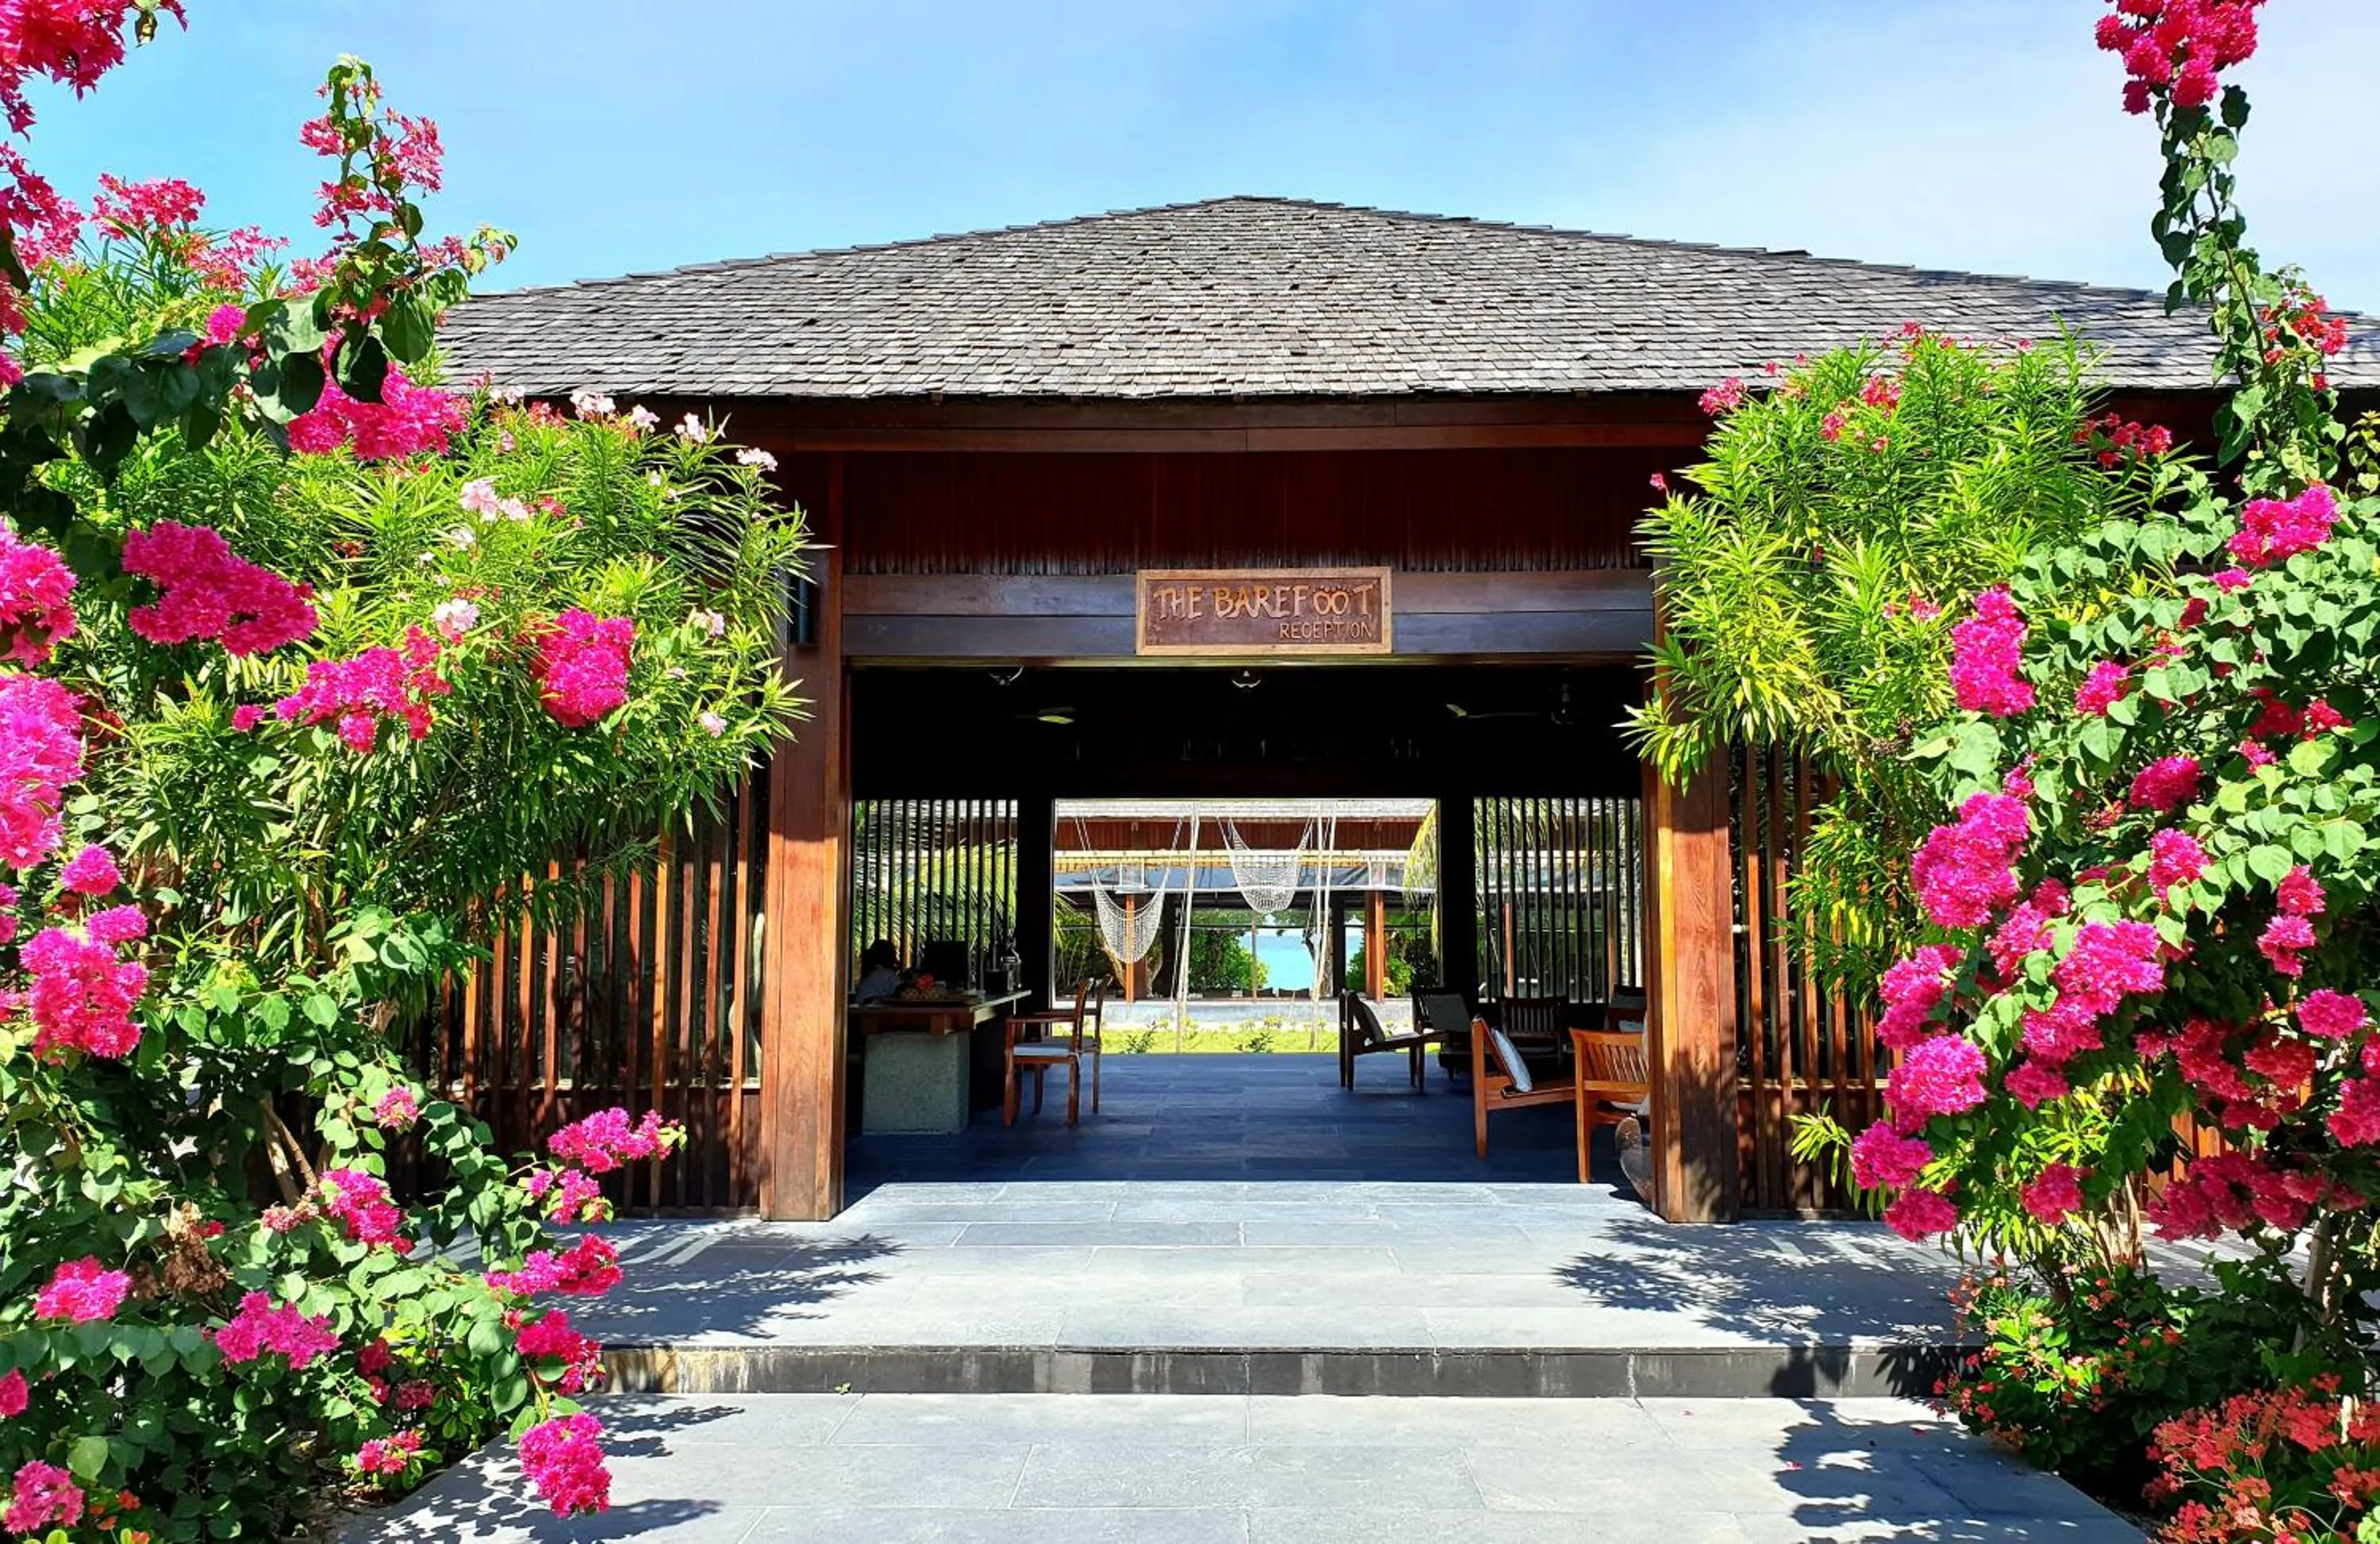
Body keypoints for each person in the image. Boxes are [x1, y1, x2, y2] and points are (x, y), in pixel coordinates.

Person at [854, 939, 904, 1003]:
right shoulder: (886, 974)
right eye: (894, 955)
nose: (896, 959)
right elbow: (902, 991)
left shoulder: (870, 973)